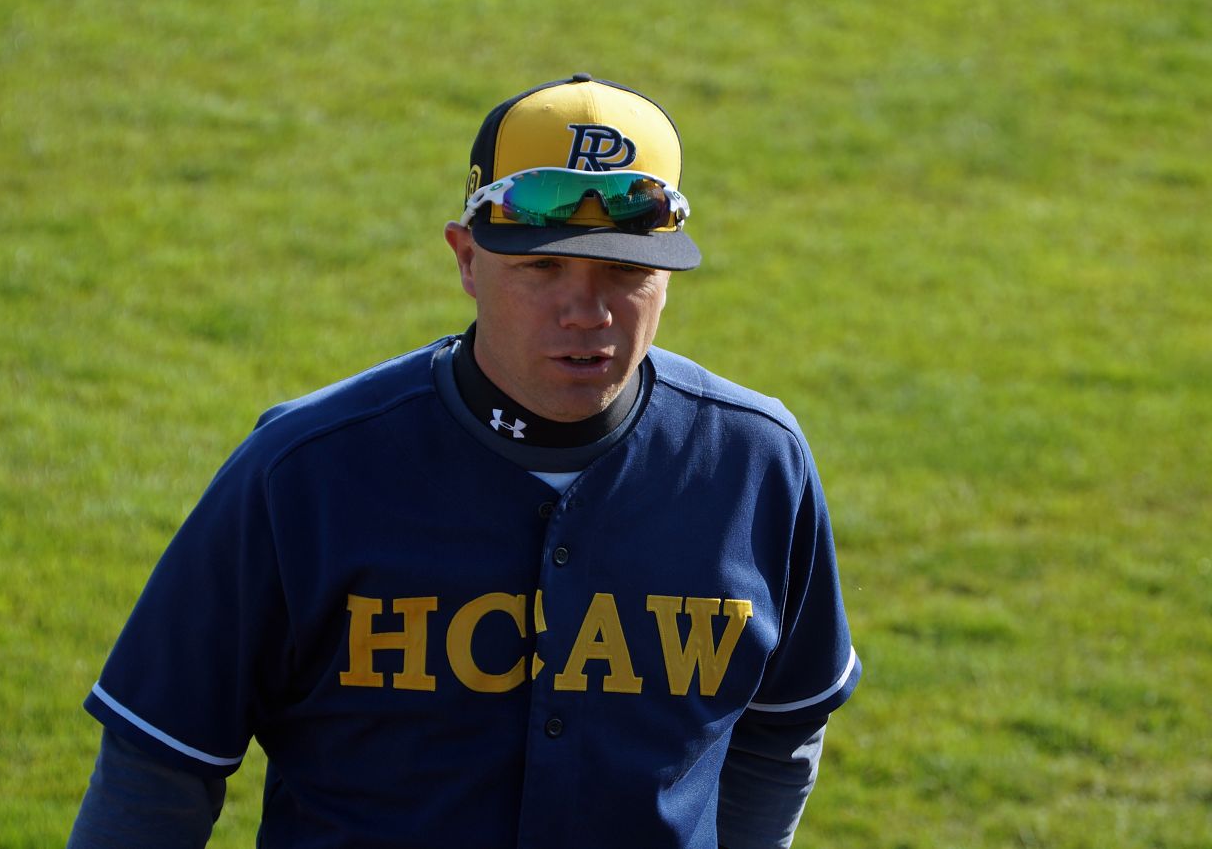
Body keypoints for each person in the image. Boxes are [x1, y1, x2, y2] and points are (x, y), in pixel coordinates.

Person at [67, 73, 861, 849]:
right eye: (541, 267)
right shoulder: (301, 473)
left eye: (625, 271)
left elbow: (784, 727)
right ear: (466, 259)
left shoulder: (756, 463)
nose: (585, 312)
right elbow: (156, 772)